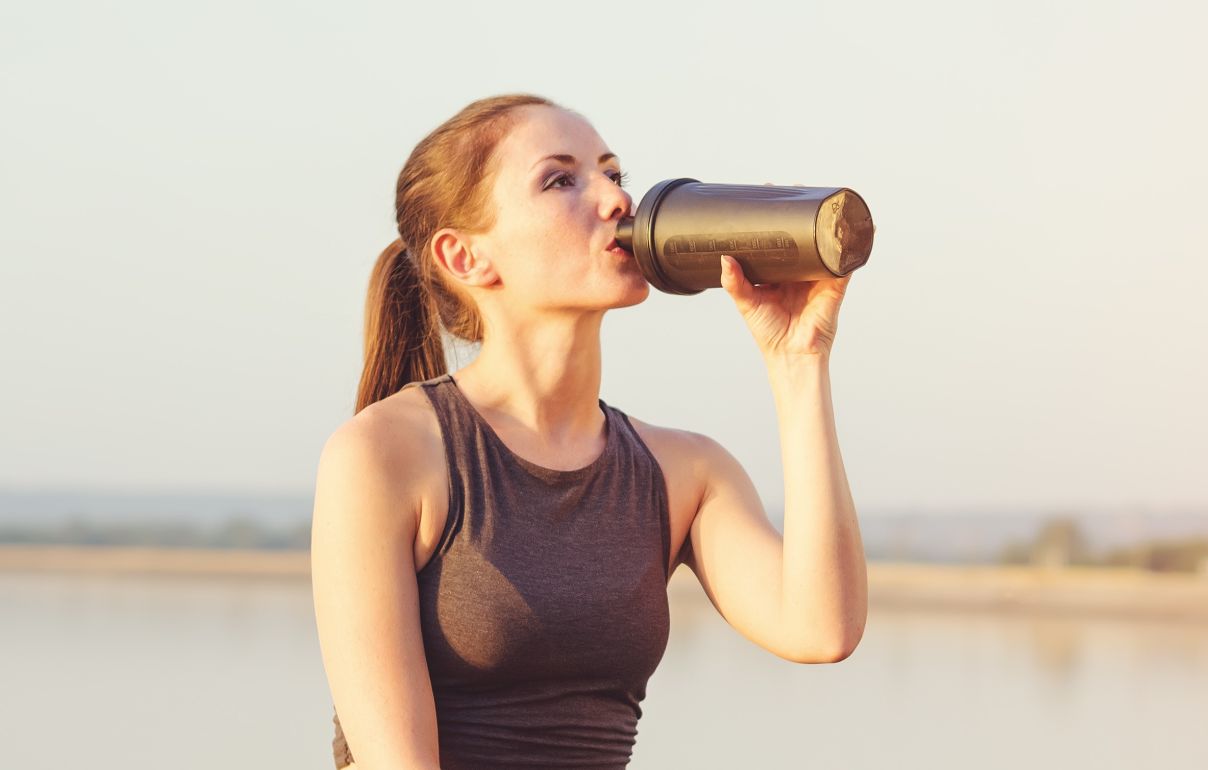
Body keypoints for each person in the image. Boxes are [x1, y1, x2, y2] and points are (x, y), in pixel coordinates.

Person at [309, 94, 867, 770]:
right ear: (465, 258)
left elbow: (821, 627)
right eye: (560, 179)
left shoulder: (683, 472)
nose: (615, 199)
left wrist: (798, 362)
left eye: (613, 173)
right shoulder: (387, 454)